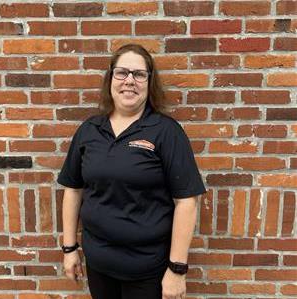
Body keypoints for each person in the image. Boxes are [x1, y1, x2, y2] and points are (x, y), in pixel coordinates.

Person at [57, 43, 206, 299]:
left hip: (147, 271)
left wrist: (177, 269)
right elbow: (73, 189)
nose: (129, 81)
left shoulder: (166, 132)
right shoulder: (89, 130)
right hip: (99, 266)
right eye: (122, 72)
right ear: (110, 79)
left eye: (139, 74)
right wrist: (69, 248)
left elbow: (187, 202)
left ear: (149, 82)